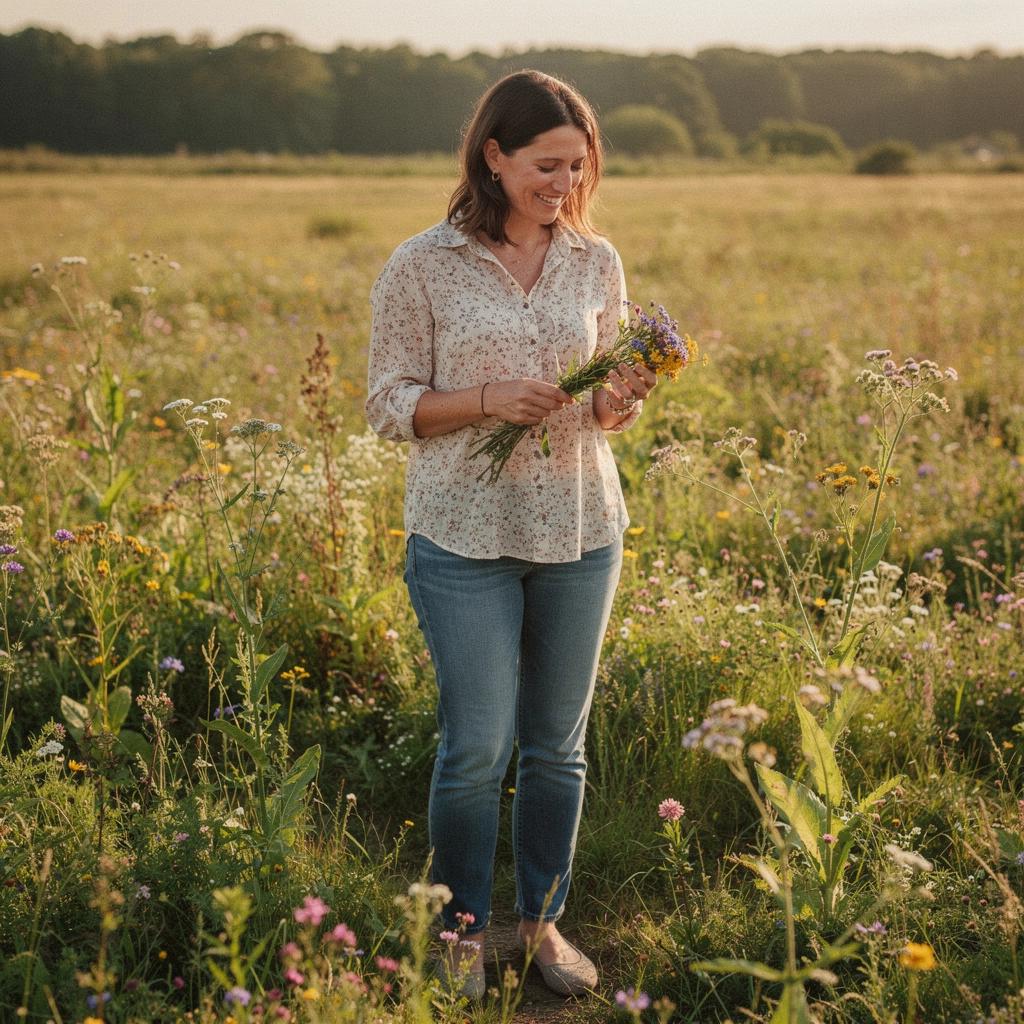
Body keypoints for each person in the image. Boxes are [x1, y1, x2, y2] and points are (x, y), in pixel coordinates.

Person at [365, 69, 656, 998]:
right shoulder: (421, 264)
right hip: (462, 535)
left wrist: (618, 403)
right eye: (545, 165)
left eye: (577, 168)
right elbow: (386, 405)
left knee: (556, 747)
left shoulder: (595, 261)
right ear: (493, 156)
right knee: (478, 746)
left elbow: (605, 401)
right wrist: (487, 400)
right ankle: (460, 931)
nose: (563, 185)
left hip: (580, 527)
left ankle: (539, 923)